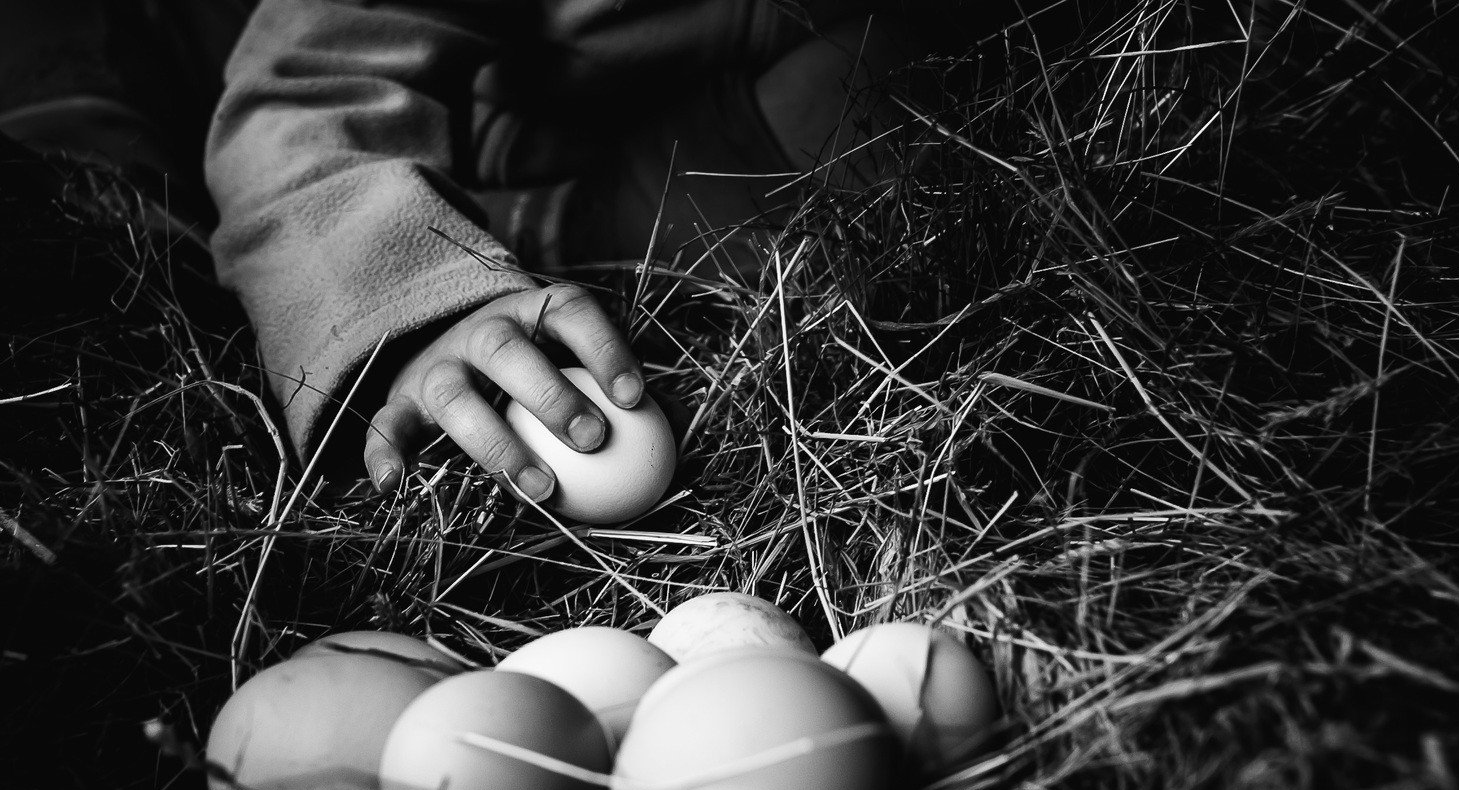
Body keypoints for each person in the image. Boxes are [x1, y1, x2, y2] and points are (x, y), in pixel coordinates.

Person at [1, 0, 974, 500]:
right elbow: (300, 97)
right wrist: (415, 301)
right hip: (283, 81)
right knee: (95, 184)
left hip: (600, 159)